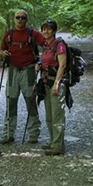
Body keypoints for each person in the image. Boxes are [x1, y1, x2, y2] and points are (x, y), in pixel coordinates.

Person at [0, 9, 47, 144]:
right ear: (14, 19)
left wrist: (41, 62)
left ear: (27, 20)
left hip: (29, 71)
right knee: (11, 102)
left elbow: (47, 45)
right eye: (18, 17)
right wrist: (3, 54)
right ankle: (8, 134)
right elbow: (2, 49)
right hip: (13, 71)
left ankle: (34, 133)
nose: (20, 20)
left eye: (23, 18)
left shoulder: (33, 34)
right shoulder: (8, 34)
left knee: (30, 102)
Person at [36, 19, 67, 155]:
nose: (46, 31)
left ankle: (58, 145)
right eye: (44, 29)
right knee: (49, 115)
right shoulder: (46, 46)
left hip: (56, 84)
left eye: (49, 29)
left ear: (54, 31)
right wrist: (39, 65)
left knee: (57, 115)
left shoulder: (59, 45)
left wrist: (57, 83)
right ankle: (52, 140)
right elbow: (47, 62)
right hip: (46, 82)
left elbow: (62, 65)